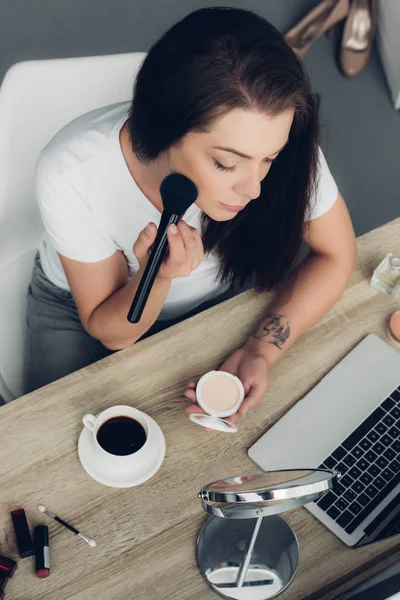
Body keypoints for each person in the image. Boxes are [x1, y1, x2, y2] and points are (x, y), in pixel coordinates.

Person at [25, 7, 358, 426]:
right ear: (165, 128)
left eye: (268, 159)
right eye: (225, 163)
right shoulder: (72, 170)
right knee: (51, 429)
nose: (254, 189)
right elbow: (111, 331)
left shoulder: (271, 140)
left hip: (207, 298)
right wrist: (159, 275)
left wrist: (260, 350)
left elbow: (338, 254)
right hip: (79, 309)